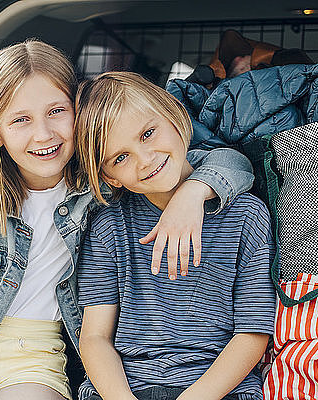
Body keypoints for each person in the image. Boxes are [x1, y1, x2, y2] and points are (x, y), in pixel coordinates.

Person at [0, 40, 256, 400]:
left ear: (76, 114)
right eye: (21, 120)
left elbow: (229, 162)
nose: (43, 134)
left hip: (33, 355)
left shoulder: (102, 178)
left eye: (56, 111)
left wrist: (193, 194)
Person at [73, 71, 276, 400]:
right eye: (121, 157)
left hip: (218, 388)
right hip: (123, 387)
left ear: (174, 114)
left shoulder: (246, 216)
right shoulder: (109, 226)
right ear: (109, 176)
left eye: (148, 133)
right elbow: (95, 337)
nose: (146, 158)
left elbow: (253, 333)